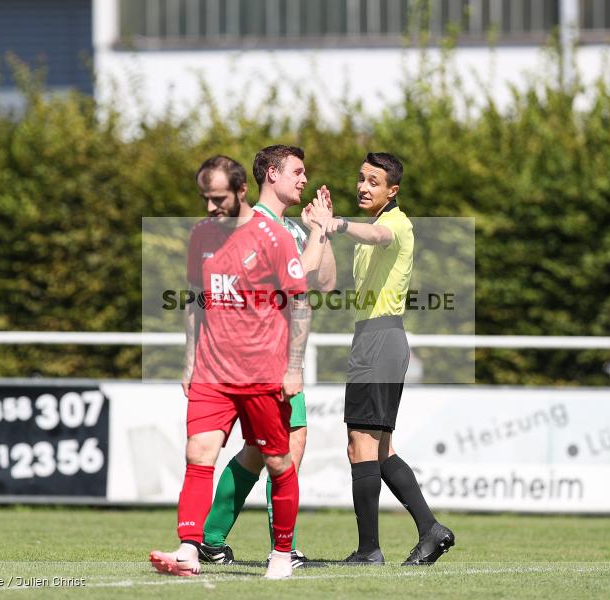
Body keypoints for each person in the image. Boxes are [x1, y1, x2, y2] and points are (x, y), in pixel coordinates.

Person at [149, 155, 310, 580]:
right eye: (204, 198)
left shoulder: (272, 237)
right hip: (212, 373)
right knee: (198, 454)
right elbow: (194, 298)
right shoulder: (201, 234)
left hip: (262, 374)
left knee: (277, 462)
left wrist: (294, 367)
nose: (209, 207)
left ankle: (281, 553)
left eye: (218, 198)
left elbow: (301, 300)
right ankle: (188, 548)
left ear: (241, 192)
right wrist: (189, 361)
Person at [313, 152, 455, 565]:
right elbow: (327, 281)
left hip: (381, 339)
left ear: (392, 191)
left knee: (361, 445)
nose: (363, 186)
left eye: (373, 182)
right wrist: (320, 233)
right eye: (360, 179)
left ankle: (369, 550)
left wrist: (338, 224)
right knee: (377, 449)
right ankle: (431, 530)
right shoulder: (367, 229)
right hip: (371, 340)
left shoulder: (396, 223)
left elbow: (379, 238)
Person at [198, 145, 335, 569]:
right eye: (297, 171)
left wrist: (322, 230)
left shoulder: (289, 227)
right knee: (286, 447)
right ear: (271, 174)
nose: (304, 179)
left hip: (270, 355)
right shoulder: (258, 224)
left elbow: (324, 282)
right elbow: (297, 273)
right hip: (263, 357)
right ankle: (284, 549)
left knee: (258, 453)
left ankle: (210, 539)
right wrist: (316, 234)